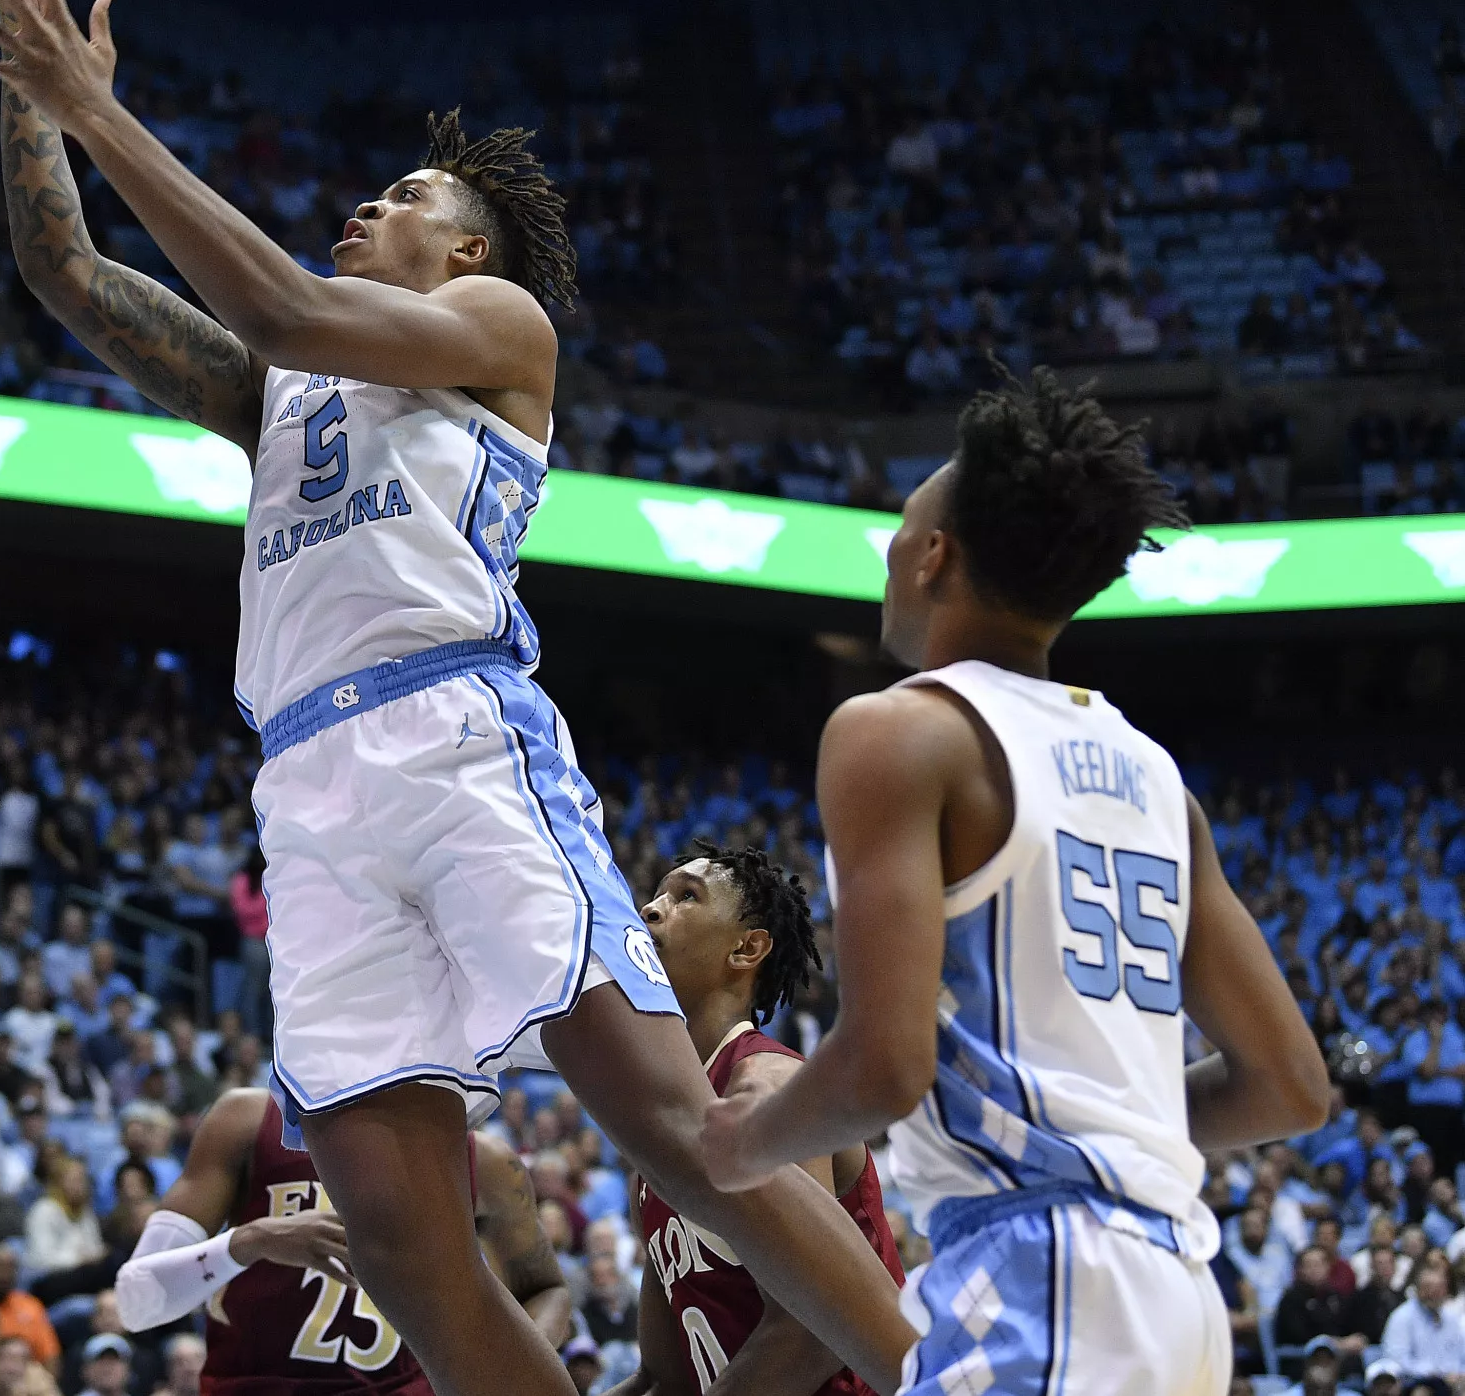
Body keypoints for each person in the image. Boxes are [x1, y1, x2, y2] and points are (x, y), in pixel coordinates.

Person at [0, 0, 913, 1396]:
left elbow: (277, 305)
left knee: (675, 1124)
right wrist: (33, 68)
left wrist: (105, 111)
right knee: (400, 1237)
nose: (368, 201)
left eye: (404, 198)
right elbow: (65, 272)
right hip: (308, 787)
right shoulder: (288, 399)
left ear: (467, 252)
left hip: (455, 737)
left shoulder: (496, 336)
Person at [699, 370, 1335, 1394]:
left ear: (935, 554)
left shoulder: (899, 731)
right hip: (1176, 1293)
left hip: (1041, 1276)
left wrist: (743, 1142)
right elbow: (1290, 1086)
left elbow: (883, 1067)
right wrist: (1103, 1126)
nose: (893, 550)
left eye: (900, 528)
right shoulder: (1157, 779)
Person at [609, 845, 906, 1394]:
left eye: (685, 897)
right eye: (653, 896)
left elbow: (814, 1331)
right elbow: (662, 1378)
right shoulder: (651, 1157)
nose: (650, 909)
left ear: (746, 949)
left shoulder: (770, 1089)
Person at [113, 1085, 571, 1394]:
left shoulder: (482, 1159)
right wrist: (250, 1241)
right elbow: (135, 1303)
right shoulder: (248, 1120)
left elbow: (547, 1291)